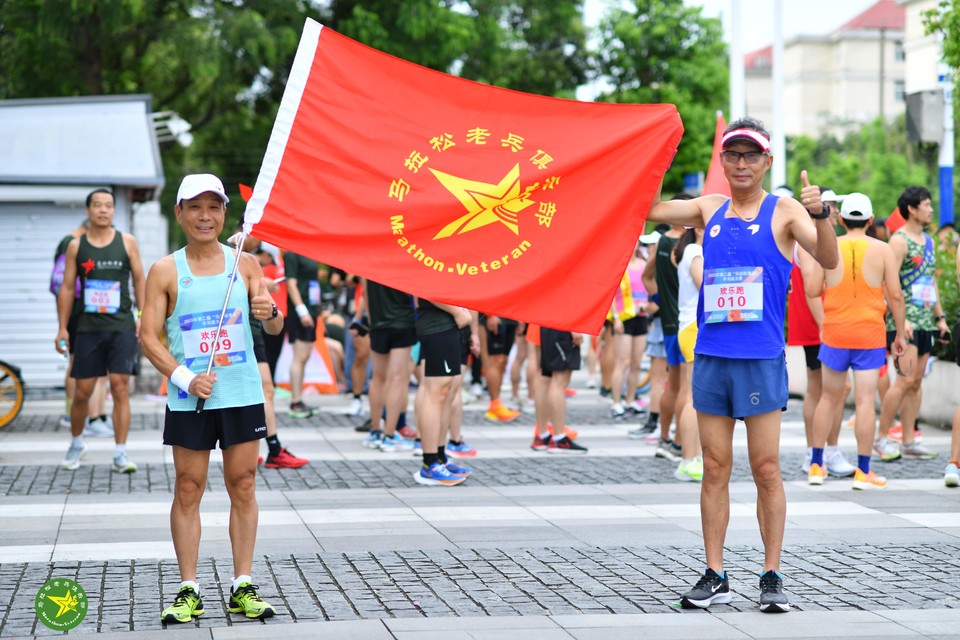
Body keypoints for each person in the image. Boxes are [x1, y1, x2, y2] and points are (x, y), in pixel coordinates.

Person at [648, 117, 839, 613]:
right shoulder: (708, 208)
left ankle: (771, 574)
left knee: (767, 469)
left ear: (766, 162)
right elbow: (646, 209)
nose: (740, 163)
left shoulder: (786, 211)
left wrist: (819, 215)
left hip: (759, 360)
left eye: (750, 155)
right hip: (712, 358)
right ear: (722, 161)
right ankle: (715, 573)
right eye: (732, 154)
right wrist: (641, 160)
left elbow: (829, 258)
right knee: (713, 468)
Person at [141, 174, 281, 623]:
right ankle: (188, 589)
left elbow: (273, 325)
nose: (206, 216)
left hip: (240, 393)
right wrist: (184, 378)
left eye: (214, 207)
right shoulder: (165, 270)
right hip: (191, 399)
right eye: (195, 207)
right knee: (188, 488)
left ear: (224, 213)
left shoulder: (246, 263)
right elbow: (148, 337)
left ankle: (243, 584)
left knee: (243, 484)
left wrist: (271, 312)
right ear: (179, 212)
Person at [804, 193, 906, 490]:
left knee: (828, 398)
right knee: (864, 401)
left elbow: (812, 289)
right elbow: (896, 295)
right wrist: (899, 333)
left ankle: (816, 465)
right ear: (871, 221)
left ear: (843, 219)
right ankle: (863, 471)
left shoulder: (829, 245)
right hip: (870, 333)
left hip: (835, 332)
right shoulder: (883, 249)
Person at [55, 189, 146, 473]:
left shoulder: (127, 242)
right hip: (88, 328)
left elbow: (140, 279)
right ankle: (77, 441)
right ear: (88, 210)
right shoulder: (75, 246)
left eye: (108, 206)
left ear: (113, 211)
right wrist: (62, 328)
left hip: (121, 326)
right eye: (98, 205)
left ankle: (120, 452)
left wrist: (143, 315)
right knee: (82, 392)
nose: (103, 210)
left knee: (120, 389)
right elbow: (67, 287)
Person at [875, 186, 949, 461]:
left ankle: (908, 439)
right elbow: (887, 282)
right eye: (926, 205)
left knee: (916, 382)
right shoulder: (899, 241)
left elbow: (931, 282)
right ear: (912, 209)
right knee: (903, 381)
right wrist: (898, 320)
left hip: (925, 322)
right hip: (903, 324)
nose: (931, 210)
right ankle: (882, 437)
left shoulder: (928, 241)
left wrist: (940, 318)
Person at [792, 189, 856, 478]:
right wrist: (823, 326)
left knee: (826, 388)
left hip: (823, 321)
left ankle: (821, 452)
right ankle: (821, 452)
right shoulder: (808, 240)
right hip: (816, 322)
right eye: (830, 206)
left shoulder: (819, 238)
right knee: (829, 389)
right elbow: (809, 285)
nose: (833, 211)